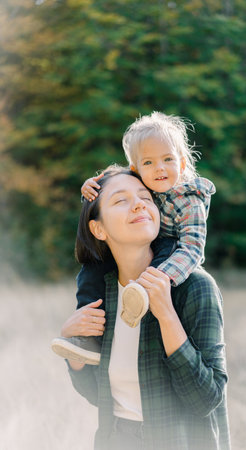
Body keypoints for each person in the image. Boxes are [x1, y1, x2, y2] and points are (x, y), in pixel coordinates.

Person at [58, 166, 230, 450]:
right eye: (120, 200)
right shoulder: (103, 293)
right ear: (98, 228)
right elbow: (99, 395)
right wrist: (72, 346)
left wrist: (165, 314)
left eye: (145, 197)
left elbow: (206, 399)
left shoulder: (195, 287)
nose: (138, 203)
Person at [52, 112, 215, 364]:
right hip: (139, 257)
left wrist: (162, 278)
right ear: (136, 169)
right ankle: (87, 340)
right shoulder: (145, 184)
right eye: (148, 163)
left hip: (172, 254)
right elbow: (112, 190)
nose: (159, 168)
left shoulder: (189, 198)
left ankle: (142, 295)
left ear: (182, 164)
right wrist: (89, 187)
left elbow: (193, 248)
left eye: (168, 159)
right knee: (90, 270)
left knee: (158, 265)